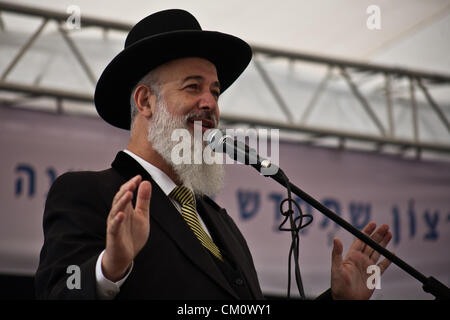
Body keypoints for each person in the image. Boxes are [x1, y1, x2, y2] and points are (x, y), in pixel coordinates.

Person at [35, 9, 392, 300]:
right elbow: (57, 292)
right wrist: (108, 270)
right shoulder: (88, 193)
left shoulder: (218, 221)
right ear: (145, 101)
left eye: (215, 92)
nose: (210, 104)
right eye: (193, 87)